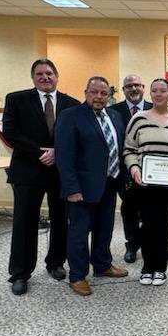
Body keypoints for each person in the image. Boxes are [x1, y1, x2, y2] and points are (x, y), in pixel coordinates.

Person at [2, 59, 79, 296]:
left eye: (49, 73)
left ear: (57, 76)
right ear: (33, 77)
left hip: (59, 171)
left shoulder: (71, 104)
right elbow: (11, 132)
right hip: (28, 169)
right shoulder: (16, 99)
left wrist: (57, 152)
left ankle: (55, 262)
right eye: (39, 74)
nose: (45, 77)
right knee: (25, 222)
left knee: (60, 219)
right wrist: (40, 153)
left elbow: (75, 136)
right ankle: (20, 273)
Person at [55, 76, 128, 296]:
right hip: (82, 188)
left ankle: (103, 265)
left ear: (109, 95)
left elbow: (118, 148)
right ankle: (77, 276)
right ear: (86, 92)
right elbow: (64, 155)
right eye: (93, 92)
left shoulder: (115, 116)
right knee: (79, 233)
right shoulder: (70, 116)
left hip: (109, 183)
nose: (98, 97)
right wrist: (71, 188)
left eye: (103, 93)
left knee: (104, 229)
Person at [123, 78, 168, 287]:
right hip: (143, 183)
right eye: (154, 91)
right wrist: (134, 168)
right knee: (147, 224)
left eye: (163, 90)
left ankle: (160, 268)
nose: (158, 94)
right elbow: (129, 149)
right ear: (150, 94)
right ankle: (147, 267)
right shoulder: (139, 119)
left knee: (162, 224)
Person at [110, 74, 168, 263]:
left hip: (156, 173)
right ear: (123, 90)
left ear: (143, 88)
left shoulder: (156, 108)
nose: (133, 89)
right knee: (130, 211)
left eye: (137, 85)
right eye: (129, 86)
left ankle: (160, 248)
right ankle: (132, 246)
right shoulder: (113, 111)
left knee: (159, 211)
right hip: (127, 172)